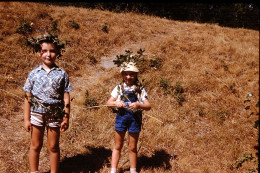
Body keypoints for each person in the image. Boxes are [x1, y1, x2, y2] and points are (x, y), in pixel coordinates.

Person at [23, 33, 72, 173]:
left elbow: (66, 98)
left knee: (53, 147)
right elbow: (27, 98)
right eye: (44, 51)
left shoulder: (61, 74)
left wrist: (66, 117)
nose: (48, 55)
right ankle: (34, 171)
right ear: (39, 53)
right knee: (35, 145)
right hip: (36, 114)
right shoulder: (33, 74)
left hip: (54, 115)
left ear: (57, 53)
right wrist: (27, 119)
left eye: (52, 51)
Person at [107, 62, 151, 173]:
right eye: (125, 74)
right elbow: (109, 103)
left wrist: (139, 105)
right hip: (121, 118)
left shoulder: (140, 89)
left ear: (136, 75)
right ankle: (113, 170)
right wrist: (117, 103)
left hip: (135, 120)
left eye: (131, 74)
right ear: (122, 75)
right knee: (118, 145)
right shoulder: (119, 88)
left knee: (132, 147)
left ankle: (133, 170)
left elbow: (148, 106)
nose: (128, 77)